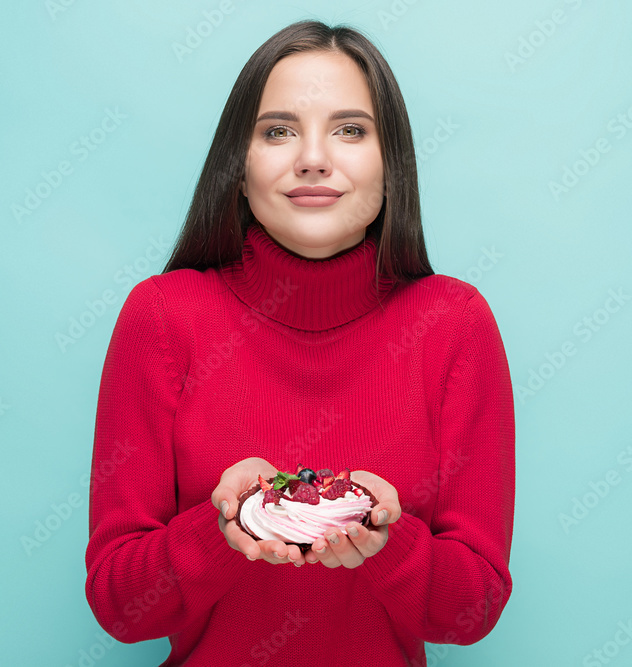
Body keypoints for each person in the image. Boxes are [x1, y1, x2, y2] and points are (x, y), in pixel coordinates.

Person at [85, 19, 515, 667]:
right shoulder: (162, 315)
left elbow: (473, 608)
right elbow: (120, 606)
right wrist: (221, 526)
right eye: (278, 131)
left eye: (350, 129)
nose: (313, 157)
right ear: (237, 167)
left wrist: (384, 542)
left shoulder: (455, 322)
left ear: (392, 166)